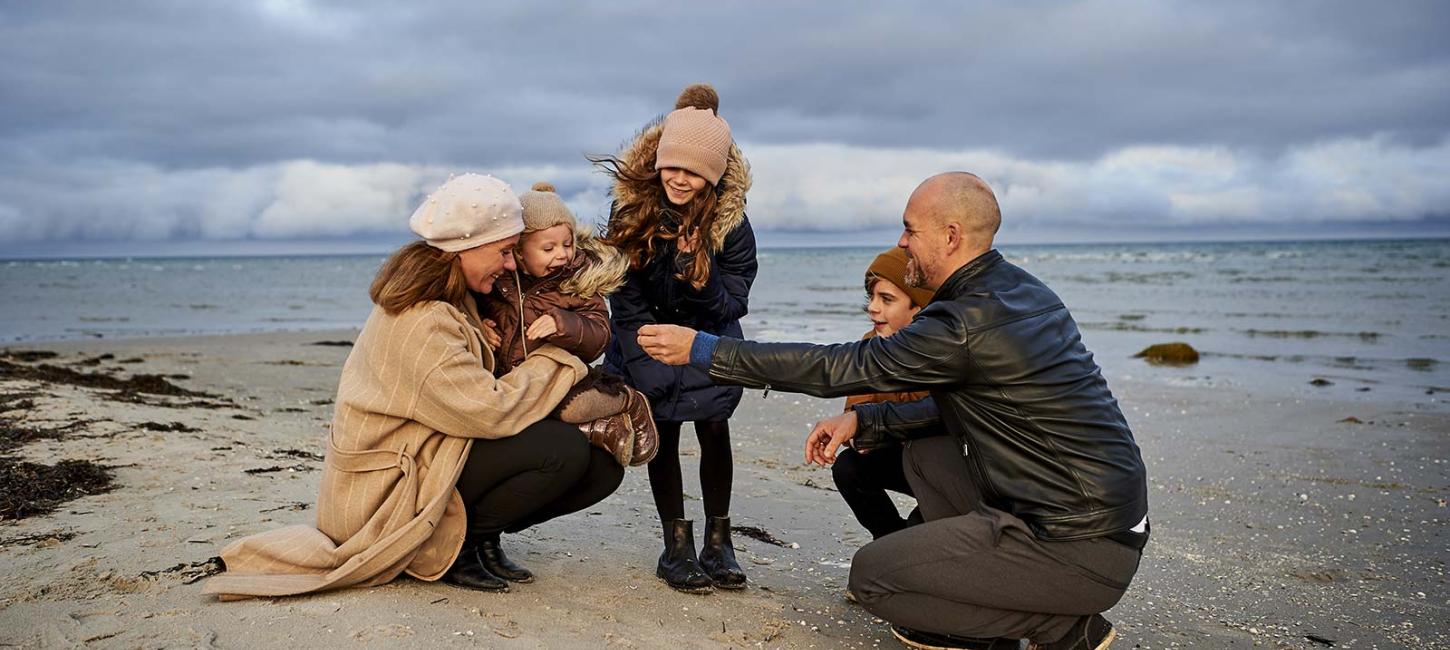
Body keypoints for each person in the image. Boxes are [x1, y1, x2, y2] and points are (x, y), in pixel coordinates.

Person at [636, 172, 1148, 649]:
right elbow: (964, 413)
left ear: (950, 236)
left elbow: (837, 367)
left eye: (909, 229)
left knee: (875, 578)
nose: (902, 241)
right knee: (925, 457)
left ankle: (1064, 627)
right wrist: (866, 418)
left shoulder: (964, 323)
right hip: (1103, 517)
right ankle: (997, 595)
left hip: (1076, 542)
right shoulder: (1021, 290)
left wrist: (703, 350)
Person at [204, 173, 624, 599]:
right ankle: (448, 544)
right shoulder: (423, 319)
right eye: (503, 252)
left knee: (601, 469)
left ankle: (479, 536)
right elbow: (489, 410)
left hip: (425, 452)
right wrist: (560, 359)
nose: (511, 264)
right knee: (562, 450)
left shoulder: (457, 296)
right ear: (466, 248)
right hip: (383, 491)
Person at [591, 83, 758, 593]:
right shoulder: (633, 215)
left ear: (711, 177)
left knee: (713, 427)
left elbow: (733, 305)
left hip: (708, 342)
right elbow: (626, 297)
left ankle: (719, 542)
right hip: (646, 340)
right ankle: (675, 545)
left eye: (693, 171)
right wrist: (646, 359)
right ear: (658, 163)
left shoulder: (732, 228)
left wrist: (698, 275)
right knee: (663, 428)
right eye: (672, 166)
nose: (679, 179)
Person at [476, 181, 657, 467]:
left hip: (564, 378)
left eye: (567, 244)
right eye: (548, 248)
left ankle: (627, 401)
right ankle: (599, 431)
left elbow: (600, 333)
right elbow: (472, 310)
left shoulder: (577, 282)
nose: (561, 254)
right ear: (519, 252)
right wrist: (481, 327)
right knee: (514, 421)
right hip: (513, 379)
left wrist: (564, 324)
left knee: (569, 409)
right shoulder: (500, 283)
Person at [834, 248, 933, 540]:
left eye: (887, 299)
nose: (873, 308)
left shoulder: (946, 352)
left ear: (919, 307)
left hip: (948, 471)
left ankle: (912, 541)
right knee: (848, 467)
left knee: (921, 533)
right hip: (904, 456)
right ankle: (888, 540)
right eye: (872, 298)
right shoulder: (870, 345)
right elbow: (856, 410)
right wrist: (858, 434)